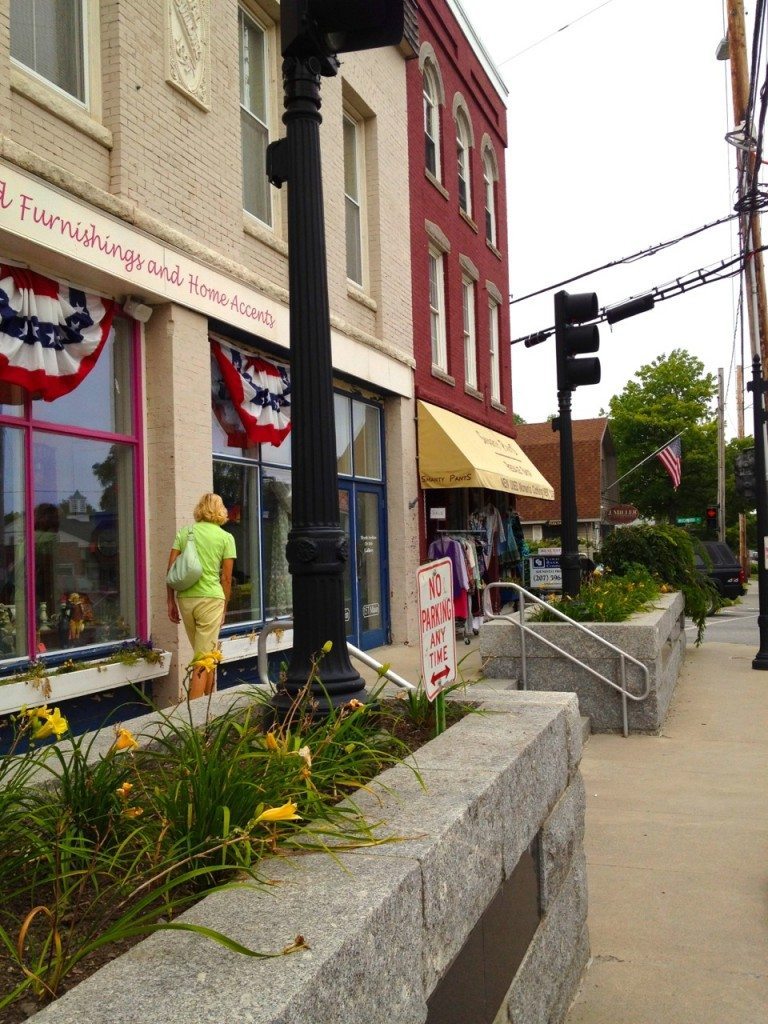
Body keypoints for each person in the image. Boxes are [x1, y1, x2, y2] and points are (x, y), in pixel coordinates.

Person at [166, 493, 236, 699]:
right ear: (220, 510)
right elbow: (226, 578)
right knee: (203, 658)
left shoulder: (185, 532)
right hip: (211, 600)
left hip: (185, 599)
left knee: (208, 653)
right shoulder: (226, 538)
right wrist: (224, 607)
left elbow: (170, 570)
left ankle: (208, 705)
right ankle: (194, 723)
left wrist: (170, 600)